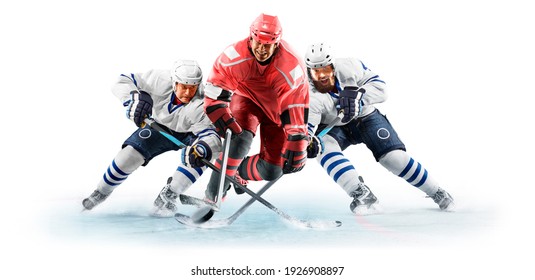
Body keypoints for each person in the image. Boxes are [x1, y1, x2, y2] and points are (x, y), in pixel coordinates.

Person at [304, 42, 454, 213]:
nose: (322, 75)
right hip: (334, 127)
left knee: (394, 159)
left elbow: (381, 89)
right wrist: (306, 142)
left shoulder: (350, 66)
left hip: (365, 117)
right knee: (322, 147)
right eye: (316, 71)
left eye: (326, 69)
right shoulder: (307, 92)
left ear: (333, 65)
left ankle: (437, 192)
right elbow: (306, 127)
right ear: (309, 71)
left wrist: (359, 97)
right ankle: (360, 193)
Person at [82, 60, 221, 217]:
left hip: (191, 134)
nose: (188, 93)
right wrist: (132, 99)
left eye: (192, 87)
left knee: (198, 158)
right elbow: (122, 80)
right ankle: (101, 192)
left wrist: (203, 148)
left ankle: (170, 194)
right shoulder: (159, 79)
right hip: (158, 127)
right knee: (127, 157)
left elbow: (211, 137)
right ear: (174, 82)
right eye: (184, 87)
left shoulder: (203, 103)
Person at [202, 13, 309, 202]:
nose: (261, 49)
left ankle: (237, 172)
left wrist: (298, 138)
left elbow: (295, 104)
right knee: (238, 140)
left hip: (278, 114)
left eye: (267, 45)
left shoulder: (291, 65)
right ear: (250, 37)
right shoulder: (233, 55)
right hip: (246, 100)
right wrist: (216, 108)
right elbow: (216, 88)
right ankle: (212, 196)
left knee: (272, 170)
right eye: (257, 42)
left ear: (277, 43)